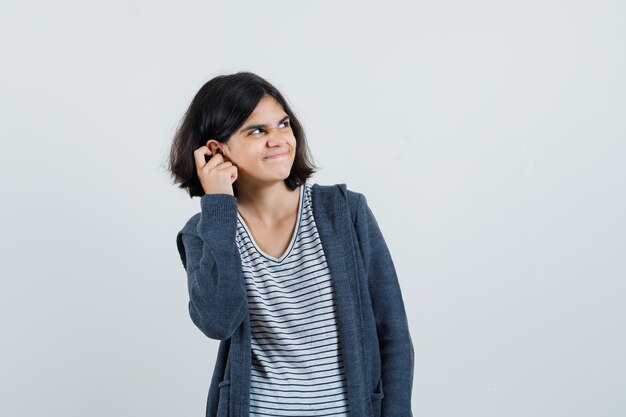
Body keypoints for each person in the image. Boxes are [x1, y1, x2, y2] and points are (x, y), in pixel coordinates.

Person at [168, 71, 414, 417]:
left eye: (283, 125)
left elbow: (393, 334)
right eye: (256, 131)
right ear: (215, 149)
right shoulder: (207, 231)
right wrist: (219, 205)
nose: (278, 139)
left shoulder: (344, 212)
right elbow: (218, 321)